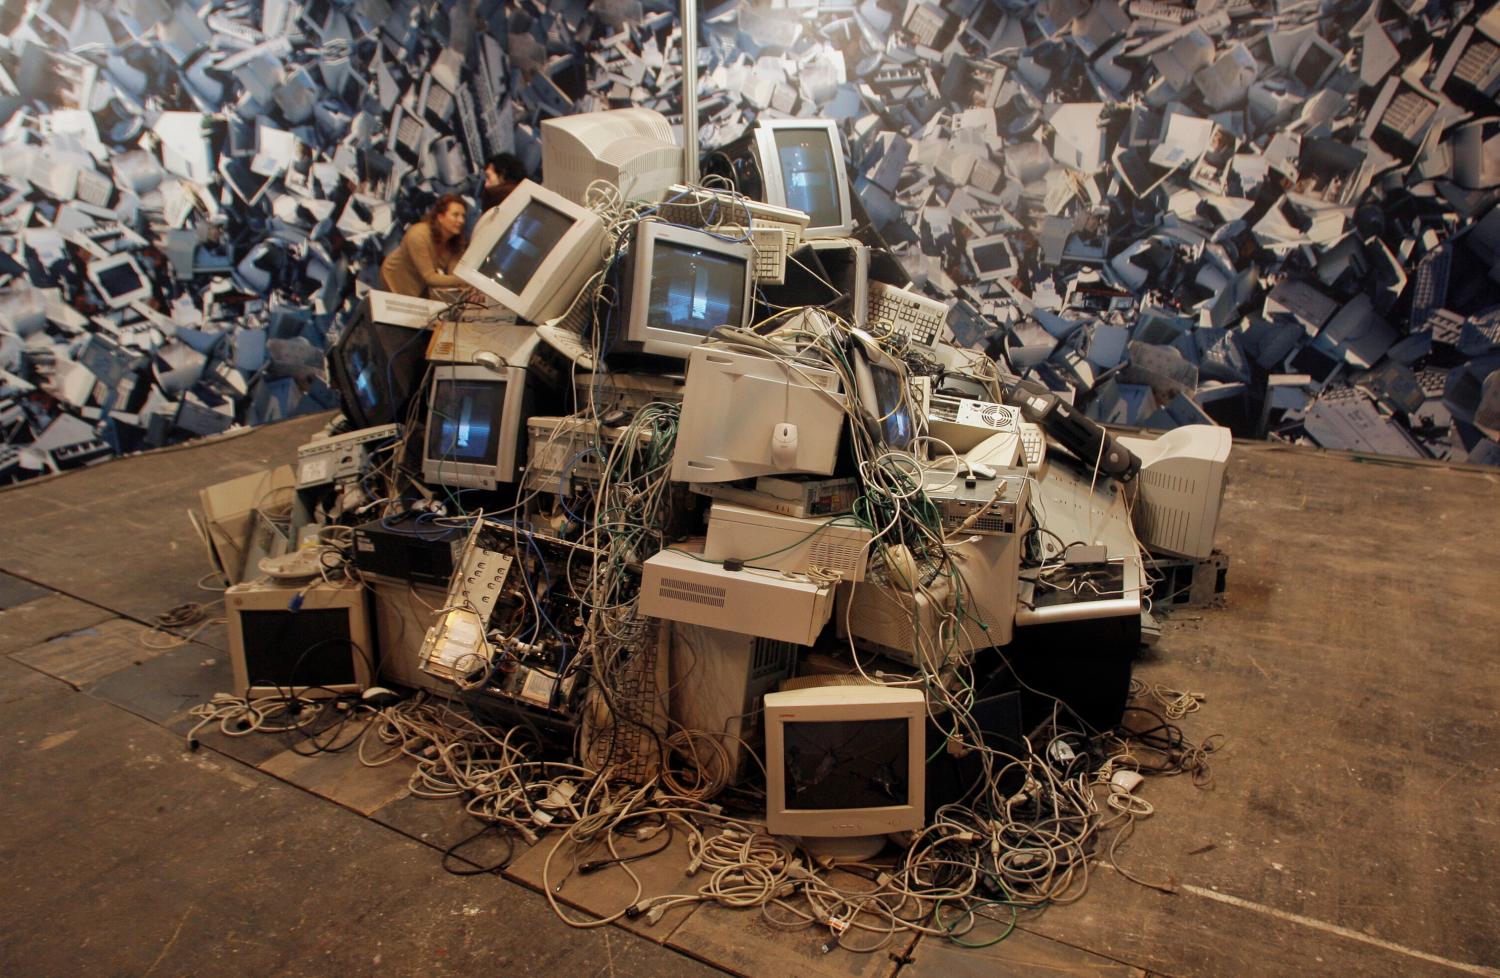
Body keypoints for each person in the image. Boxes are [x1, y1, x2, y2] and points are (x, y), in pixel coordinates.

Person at [380, 194, 469, 298]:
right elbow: (430, 278)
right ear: (440, 217)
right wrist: (464, 281)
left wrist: (468, 287)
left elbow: (455, 275)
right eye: (455, 215)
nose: (461, 221)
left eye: (463, 216)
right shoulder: (418, 234)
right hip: (393, 280)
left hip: (417, 287)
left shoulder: (455, 243)